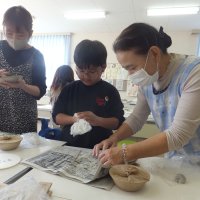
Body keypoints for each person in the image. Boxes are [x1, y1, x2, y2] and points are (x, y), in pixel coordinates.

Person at [93, 22, 200, 166]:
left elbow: (178, 134)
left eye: (132, 67)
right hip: (175, 161)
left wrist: (125, 152)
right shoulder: (150, 79)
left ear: (154, 53)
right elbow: (137, 117)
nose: (131, 75)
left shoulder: (193, 73)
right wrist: (115, 137)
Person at [52, 39, 125, 148]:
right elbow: (57, 117)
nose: (86, 76)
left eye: (91, 71)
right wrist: (74, 119)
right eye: (81, 71)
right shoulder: (69, 89)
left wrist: (98, 120)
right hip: (69, 145)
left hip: (100, 147)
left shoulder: (110, 91)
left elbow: (117, 122)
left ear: (103, 68)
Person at [0, 6, 46, 134]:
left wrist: (23, 86)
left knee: (25, 152)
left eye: (20, 35)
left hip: (25, 121)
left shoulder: (37, 56)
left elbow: (40, 91)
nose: (14, 38)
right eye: (9, 33)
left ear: (30, 34)